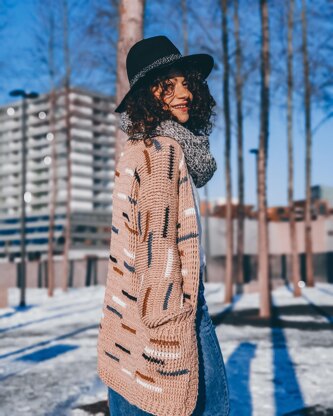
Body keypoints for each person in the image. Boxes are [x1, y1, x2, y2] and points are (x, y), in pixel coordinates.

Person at [97, 35, 230, 416]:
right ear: (146, 95)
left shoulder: (138, 148)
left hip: (128, 321)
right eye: (166, 84)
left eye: (185, 81)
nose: (183, 91)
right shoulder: (163, 151)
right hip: (172, 317)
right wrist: (171, 338)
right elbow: (157, 251)